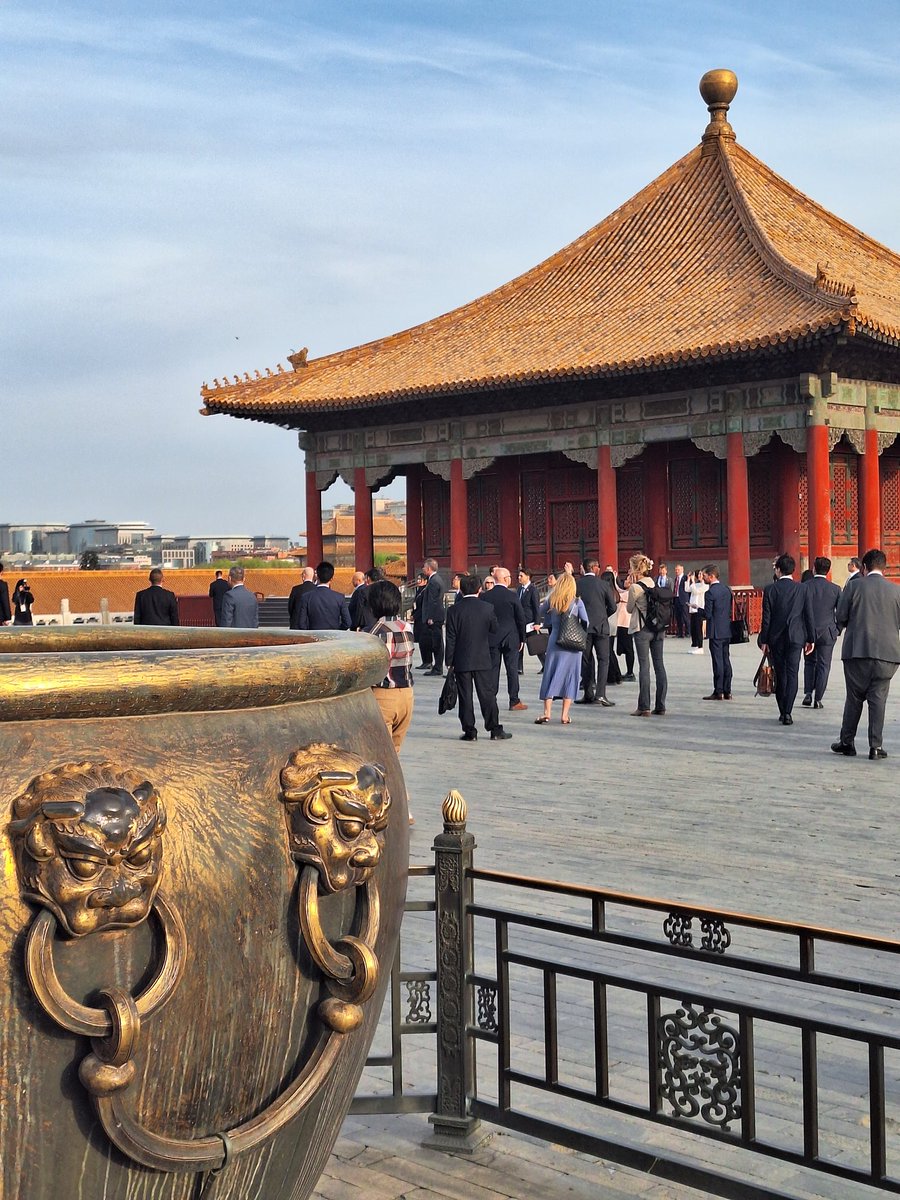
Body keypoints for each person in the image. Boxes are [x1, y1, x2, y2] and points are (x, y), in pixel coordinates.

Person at [831, 548, 900, 760]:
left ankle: (847, 742)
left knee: (854, 698)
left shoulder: (853, 587)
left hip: (857, 651)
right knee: (878, 699)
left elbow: (840, 616)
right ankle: (876, 747)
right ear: (884, 567)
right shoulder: (896, 590)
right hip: (888, 654)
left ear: (864, 567)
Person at [444, 574, 511, 741]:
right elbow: (494, 628)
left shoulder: (453, 610)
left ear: (461, 589)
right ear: (479, 589)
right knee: (487, 694)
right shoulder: (487, 608)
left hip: (461, 659)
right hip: (482, 657)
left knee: (465, 696)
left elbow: (450, 637)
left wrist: (449, 661)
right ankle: (494, 729)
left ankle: (470, 731)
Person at [757, 553, 814, 726]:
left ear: (779, 570)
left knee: (780, 674)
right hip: (796, 637)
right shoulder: (802, 589)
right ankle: (788, 711)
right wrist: (811, 639)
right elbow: (808, 615)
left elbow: (766, 618)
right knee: (793, 673)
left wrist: (764, 640)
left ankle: (783, 710)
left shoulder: (770, 589)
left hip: (776, 638)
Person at [535, 568, 588, 726]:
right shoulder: (577, 602)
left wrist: (548, 622)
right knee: (571, 677)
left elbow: (540, 611)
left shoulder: (552, 599)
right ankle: (565, 715)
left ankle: (547, 713)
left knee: (551, 673)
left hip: (555, 641)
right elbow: (586, 622)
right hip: (572, 644)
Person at [367, 579, 415, 753]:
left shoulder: (373, 634)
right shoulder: (407, 628)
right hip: (407, 695)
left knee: (382, 755)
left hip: (383, 695)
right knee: (395, 752)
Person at [480, 567, 528, 710]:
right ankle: (514, 701)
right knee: (512, 670)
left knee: (493, 670)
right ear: (506, 579)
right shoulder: (512, 596)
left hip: (492, 638)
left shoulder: (485, 596)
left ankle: (491, 700)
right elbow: (521, 619)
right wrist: (522, 638)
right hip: (511, 638)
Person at [626, 553, 668, 717]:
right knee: (659, 665)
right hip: (658, 629)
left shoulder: (635, 588)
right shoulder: (655, 584)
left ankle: (644, 706)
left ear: (635, 569)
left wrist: (630, 585)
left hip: (642, 628)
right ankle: (661, 705)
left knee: (644, 666)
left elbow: (629, 609)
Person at [574, 559, 616, 707]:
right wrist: (603, 616)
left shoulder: (577, 584)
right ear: (593, 567)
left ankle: (587, 693)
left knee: (586, 661)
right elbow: (613, 607)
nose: (599, 568)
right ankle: (601, 694)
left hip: (583, 627)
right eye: (598, 566)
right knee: (603, 660)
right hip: (601, 627)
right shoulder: (603, 585)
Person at [802, 556, 841, 709]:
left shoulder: (805, 587)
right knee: (824, 665)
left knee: (809, 663)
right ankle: (818, 698)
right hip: (827, 631)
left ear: (813, 568)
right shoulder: (835, 589)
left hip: (808, 631)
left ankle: (808, 693)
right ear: (829, 570)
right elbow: (842, 611)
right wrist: (837, 629)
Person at [702, 565, 733, 700]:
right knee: (726, 660)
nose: (703, 578)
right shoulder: (727, 589)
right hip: (726, 629)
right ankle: (728, 690)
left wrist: (697, 610)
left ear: (711, 576)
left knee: (717, 661)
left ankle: (718, 690)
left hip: (715, 630)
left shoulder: (709, 593)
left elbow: (708, 614)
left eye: (704, 575)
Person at [295, 561, 351, 630]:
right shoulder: (340, 598)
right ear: (331, 578)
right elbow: (348, 622)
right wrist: (337, 631)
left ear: (317, 576)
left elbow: (301, 623)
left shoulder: (306, 597)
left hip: (314, 637)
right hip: (334, 637)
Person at [421, 558, 446, 676]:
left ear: (429, 568)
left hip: (435, 616)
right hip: (437, 615)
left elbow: (433, 601)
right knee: (436, 641)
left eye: (424, 567)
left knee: (436, 642)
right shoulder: (436, 579)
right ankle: (437, 666)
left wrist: (430, 617)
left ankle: (438, 667)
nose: (423, 569)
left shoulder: (433, 582)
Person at [516, 566, 543, 673]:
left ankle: (545, 663)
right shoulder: (519, 589)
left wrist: (537, 622)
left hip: (530, 622)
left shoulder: (533, 590)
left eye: (521, 576)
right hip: (520, 622)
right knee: (519, 645)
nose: (519, 577)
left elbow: (536, 607)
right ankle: (519, 667)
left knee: (536, 645)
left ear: (527, 577)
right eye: (519, 575)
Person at [600, 569, 622, 686]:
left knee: (607, 652)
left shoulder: (608, 593)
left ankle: (613, 675)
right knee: (610, 651)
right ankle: (616, 675)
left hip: (607, 623)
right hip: (614, 623)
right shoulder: (615, 592)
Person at [614, 574, 635, 681]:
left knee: (629, 648)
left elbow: (618, 591)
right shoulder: (625, 592)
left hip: (626, 623)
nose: (625, 581)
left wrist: (613, 580)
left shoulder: (629, 593)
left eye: (627, 580)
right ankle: (629, 671)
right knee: (626, 648)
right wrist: (614, 578)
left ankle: (630, 672)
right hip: (622, 623)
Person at [412, 572, 432, 668]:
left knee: (424, 640)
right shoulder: (418, 590)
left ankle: (428, 661)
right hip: (417, 617)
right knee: (420, 640)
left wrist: (415, 615)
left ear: (425, 581)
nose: (418, 581)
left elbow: (423, 607)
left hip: (422, 618)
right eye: (418, 579)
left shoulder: (425, 591)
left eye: (420, 579)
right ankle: (424, 661)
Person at [687, 569, 708, 654]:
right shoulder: (696, 584)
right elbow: (687, 589)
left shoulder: (705, 586)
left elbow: (696, 591)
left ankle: (700, 646)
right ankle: (694, 644)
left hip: (699, 608)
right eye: (698, 574)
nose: (699, 575)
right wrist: (688, 579)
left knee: (698, 628)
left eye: (700, 574)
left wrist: (692, 581)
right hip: (693, 608)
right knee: (693, 628)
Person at [671, 564, 688, 637]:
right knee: (678, 616)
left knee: (685, 616)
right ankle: (680, 632)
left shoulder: (686, 578)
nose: (676, 571)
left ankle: (688, 632)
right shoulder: (676, 579)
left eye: (678, 570)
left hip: (683, 599)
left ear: (682, 570)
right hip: (676, 598)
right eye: (676, 570)